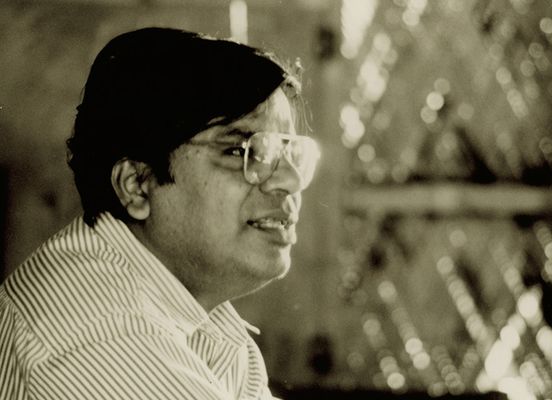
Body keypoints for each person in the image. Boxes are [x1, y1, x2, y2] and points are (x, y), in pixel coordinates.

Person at [0, 27, 320, 400]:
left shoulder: (203, 319)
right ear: (137, 184)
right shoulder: (104, 333)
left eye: (288, 153)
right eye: (238, 151)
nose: (288, 180)